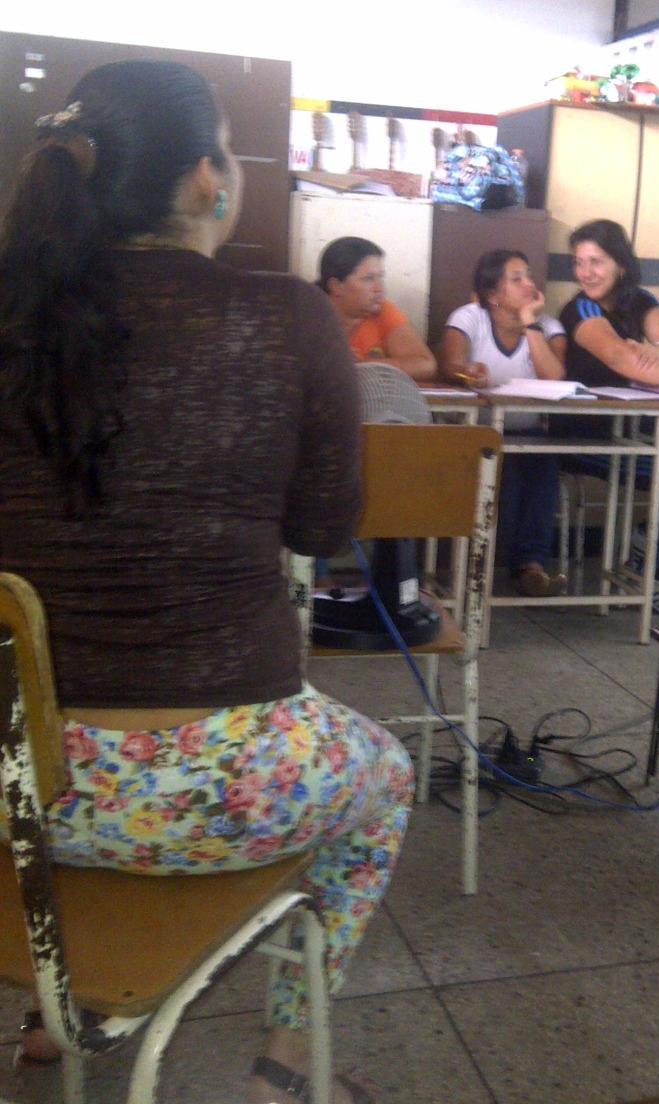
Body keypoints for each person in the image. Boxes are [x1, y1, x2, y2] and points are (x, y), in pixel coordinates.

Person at [0, 60, 412, 1104]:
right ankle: (282, 1071)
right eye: (227, 150)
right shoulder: (287, 317)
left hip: (18, 788)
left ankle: (50, 1007)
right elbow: (322, 528)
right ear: (204, 179)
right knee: (389, 775)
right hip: (223, 789)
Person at [560, 219, 659, 579]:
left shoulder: (640, 300)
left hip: (633, 430)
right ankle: (651, 575)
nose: (585, 273)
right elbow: (624, 361)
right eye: (578, 262)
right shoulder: (581, 309)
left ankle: (645, 542)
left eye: (596, 261)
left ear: (620, 264)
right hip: (585, 433)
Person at [441, 248, 567, 596]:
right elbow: (449, 365)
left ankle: (531, 568)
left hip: (528, 432)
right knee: (505, 471)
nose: (529, 283)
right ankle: (501, 568)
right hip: (475, 432)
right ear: (493, 295)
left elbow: (555, 378)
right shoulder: (469, 317)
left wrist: (529, 322)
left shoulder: (548, 326)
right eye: (517, 278)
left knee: (544, 465)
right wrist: (467, 371)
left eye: (529, 275)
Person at [318, 235, 437, 382]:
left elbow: (425, 365)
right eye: (368, 279)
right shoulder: (307, 313)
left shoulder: (382, 311)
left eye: (380, 277)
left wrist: (361, 366)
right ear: (336, 286)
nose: (379, 288)